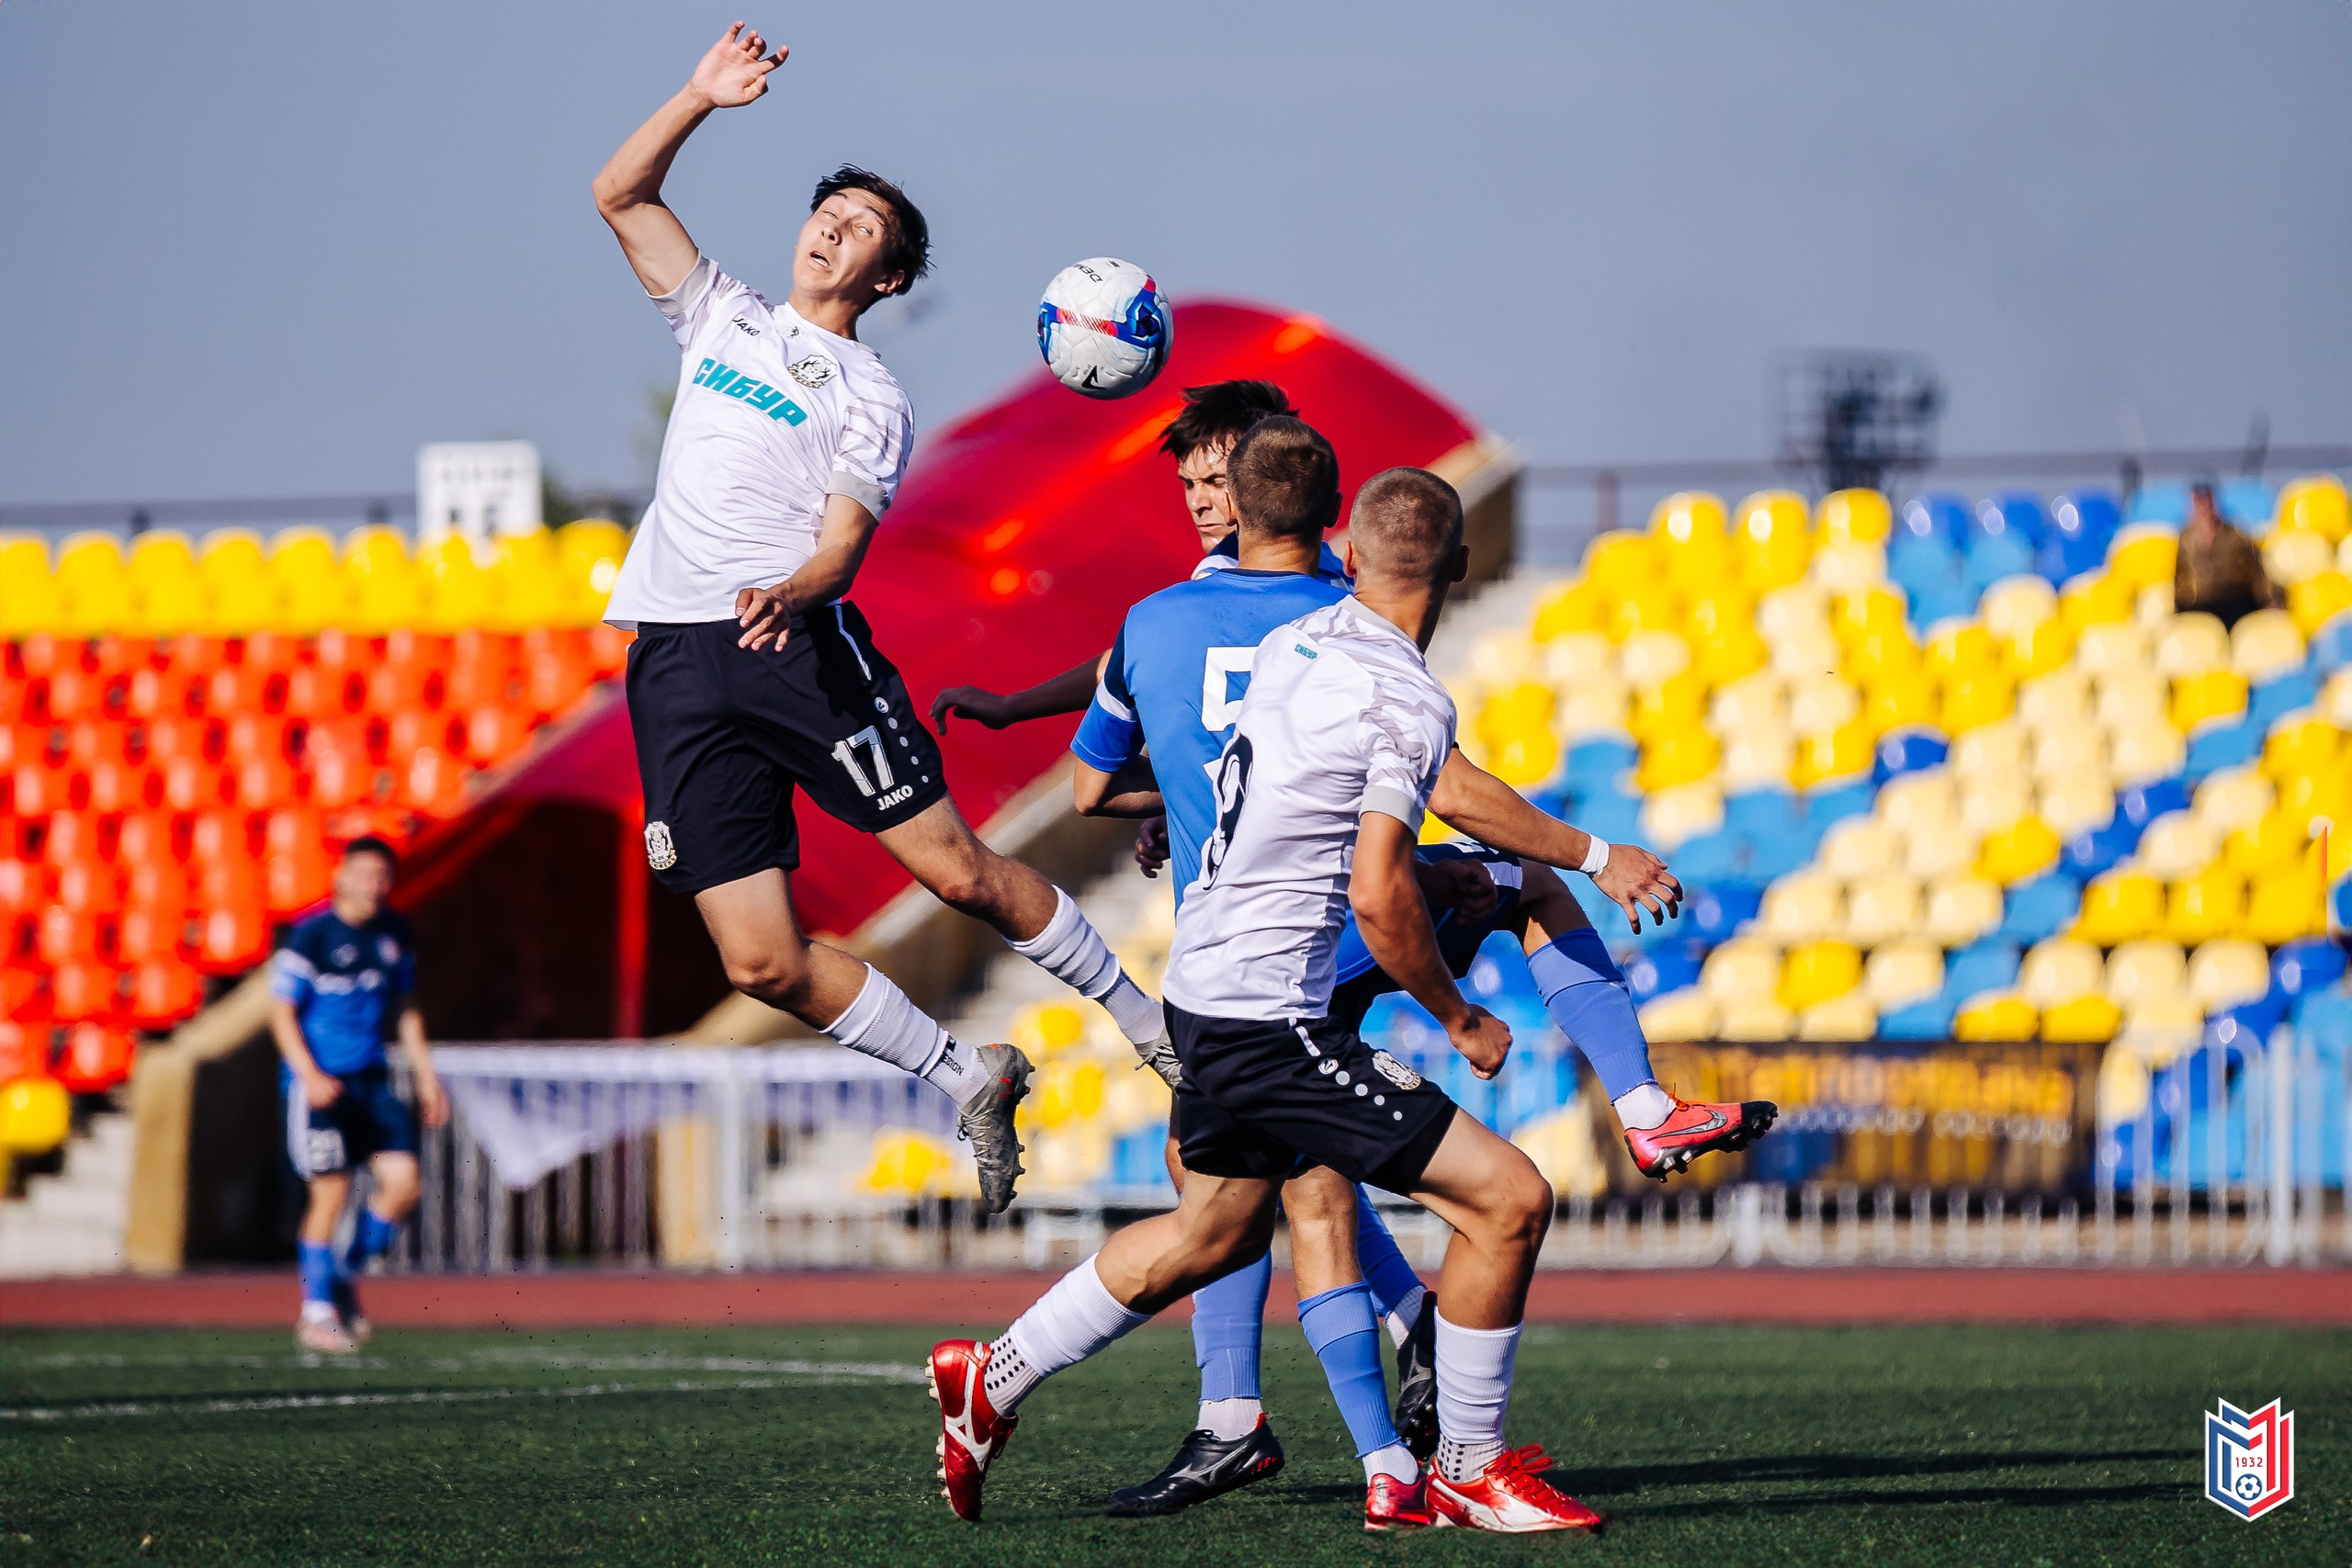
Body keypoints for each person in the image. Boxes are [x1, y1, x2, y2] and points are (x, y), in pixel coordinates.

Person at [1060, 419, 1772, 1519]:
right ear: (1334, 530)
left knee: (1267, 1200)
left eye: (1212, 482)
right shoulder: (1338, 628)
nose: (1202, 500)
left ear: (1245, 506)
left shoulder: (1161, 622)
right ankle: (1627, 1112)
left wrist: (1167, 807)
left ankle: (1277, 1431)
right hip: (1307, 941)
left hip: (1233, 954)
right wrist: (1507, 949)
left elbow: (1095, 788)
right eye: (1193, 482)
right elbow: (1432, 785)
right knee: (1293, 1190)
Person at [591, 22, 1173, 1213]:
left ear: (887, 278)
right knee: (758, 960)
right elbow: (619, 191)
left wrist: (793, 594)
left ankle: (1143, 1017)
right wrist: (701, 95)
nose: (833, 230)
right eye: (830, 213)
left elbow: (843, 544)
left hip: (796, 650)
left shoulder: (868, 390)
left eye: (863, 230)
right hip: (677, 662)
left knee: (957, 871)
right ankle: (969, 1070)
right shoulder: (720, 316)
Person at [270, 837, 447, 1355]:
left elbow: (406, 1006)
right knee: (332, 1193)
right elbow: (281, 1013)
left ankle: (342, 1274)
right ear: (340, 876)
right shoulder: (312, 937)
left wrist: (426, 1076)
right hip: (321, 1084)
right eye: (364, 873)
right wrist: (308, 1074)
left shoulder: (394, 933)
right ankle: (317, 1313)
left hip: (371, 1079)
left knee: (404, 1183)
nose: (374, 884)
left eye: (382, 875)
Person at [2175, 480, 2282, 628]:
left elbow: (2258, 568)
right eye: (2199, 501)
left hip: (2232, 603)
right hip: (2196, 606)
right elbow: (2175, 577)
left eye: (2207, 500)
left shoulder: (2235, 535)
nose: (2204, 506)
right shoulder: (2183, 539)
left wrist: (2270, 601)